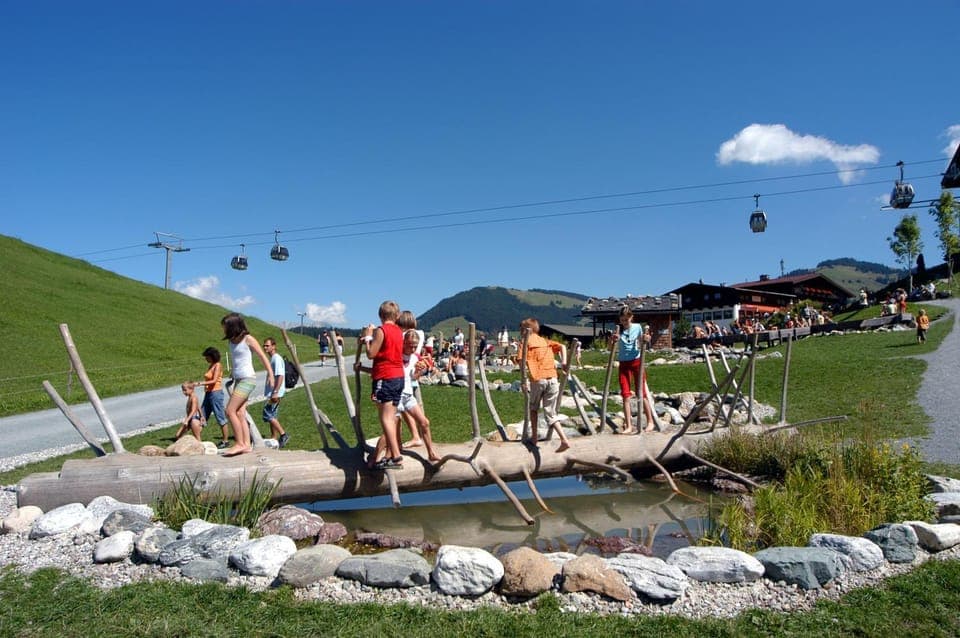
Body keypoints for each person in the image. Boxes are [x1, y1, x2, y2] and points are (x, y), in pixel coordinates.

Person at [355, 300, 405, 471]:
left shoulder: (381, 331)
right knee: (391, 417)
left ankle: (396, 455)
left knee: (385, 418)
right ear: (397, 316)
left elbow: (371, 353)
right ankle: (390, 453)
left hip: (385, 377)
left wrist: (369, 336)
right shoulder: (399, 331)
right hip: (399, 377)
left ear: (380, 316)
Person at [221, 313, 274, 457]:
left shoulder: (248, 339)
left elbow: (263, 356)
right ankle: (246, 445)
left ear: (233, 326)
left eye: (225, 327)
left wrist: (270, 374)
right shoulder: (231, 341)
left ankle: (240, 443)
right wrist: (233, 372)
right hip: (239, 379)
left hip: (248, 380)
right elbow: (237, 360)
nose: (223, 330)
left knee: (229, 411)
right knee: (240, 412)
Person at [520, 318, 571, 452]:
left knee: (533, 408)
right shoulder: (544, 341)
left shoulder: (525, 343)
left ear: (525, 331)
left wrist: (524, 380)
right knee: (551, 413)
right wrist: (564, 362)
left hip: (538, 379)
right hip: (553, 378)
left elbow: (521, 362)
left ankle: (535, 437)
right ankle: (564, 439)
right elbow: (563, 346)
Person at [612, 307, 655, 434]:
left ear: (631, 317)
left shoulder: (637, 327)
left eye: (626, 319)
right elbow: (611, 347)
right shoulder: (618, 331)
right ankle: (629, 425)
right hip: (623, 364)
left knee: (641, 392)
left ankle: (650, 422)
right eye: (622, 320)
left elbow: (642, 341)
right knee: (625, 394)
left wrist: (646, 339)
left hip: (636, 362)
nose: (624, 322)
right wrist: (612, 340)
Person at [195, 347, 229, 448]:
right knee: (202, 415)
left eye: (207, 357)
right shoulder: (211, 366)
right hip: (208, 393)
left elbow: (214, 380)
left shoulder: (217, 365)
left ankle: (225, 440)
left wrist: (200, 383)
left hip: (216, 393)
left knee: (220, 416)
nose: (206, 359)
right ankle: (197, 439)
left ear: (212, 356)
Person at [262, 337, 290, 448]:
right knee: (272, 415)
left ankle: (283, 434)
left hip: (275, 392)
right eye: (264, 345)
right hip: (273, 391)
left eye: (267, 345)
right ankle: (273, 436)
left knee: (267, 414)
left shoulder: (276, 358)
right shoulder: (273, 358)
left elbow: (280, 375)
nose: (265, 347)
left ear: (274, 346)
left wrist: (276, 391)